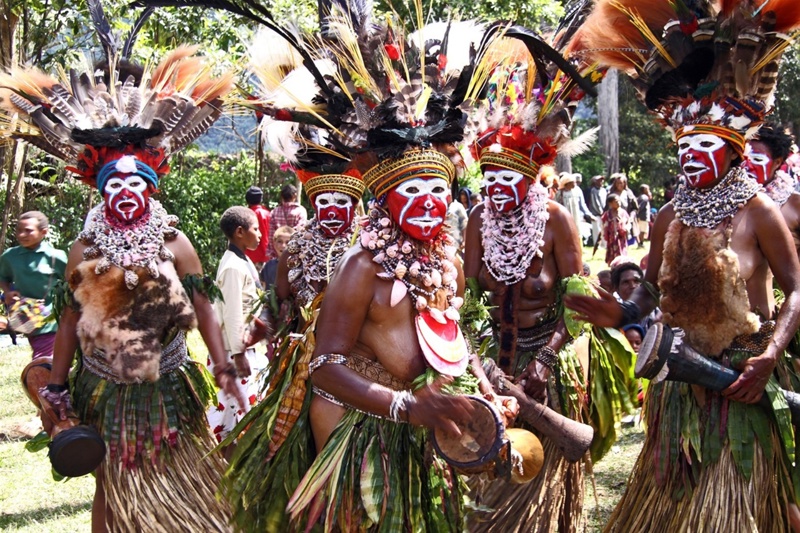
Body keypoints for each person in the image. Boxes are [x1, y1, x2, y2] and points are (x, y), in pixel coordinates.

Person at [566, 0, 800, 529]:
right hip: (678, 384)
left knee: (747, 506)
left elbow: (798, 289)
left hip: (744, 375)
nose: (690, 155)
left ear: (734, 149)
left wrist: (772, 355)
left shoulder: (758, 212)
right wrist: (621, 312)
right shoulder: (668, 215)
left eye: (705, 144)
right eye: (685, 145)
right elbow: (650, 294)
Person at [2, 47, 243, 530]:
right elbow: (70, 320)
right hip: (102, 386)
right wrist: (56, 386)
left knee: (186, 476)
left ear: (151, 188)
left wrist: (222, 366)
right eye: (115, 185)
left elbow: (204, 308)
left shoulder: (175, 241)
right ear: (101, 188)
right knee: (111, 486)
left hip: (168, 386)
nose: (126, 193)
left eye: (136, 185)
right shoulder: (84, 248)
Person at [462, 48, 619, 531]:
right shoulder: (475, 221)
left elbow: (580, 301)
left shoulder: (555, 221)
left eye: (508, 178)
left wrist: (545, 359)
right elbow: (466, 299)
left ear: (531, 179)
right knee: (493, 466)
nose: (496, 188)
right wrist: (474, 357)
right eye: (489, 178)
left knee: (542, 482)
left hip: (547, 357)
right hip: (494, 362)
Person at [208, 206, 269, 446]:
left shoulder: (241, 260)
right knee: (234, 415)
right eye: (256, 229)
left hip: (241, 348)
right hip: (234, 352)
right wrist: (238, 353)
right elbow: (232, 312)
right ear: (240, 232)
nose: (261, 234)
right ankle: (227, 463)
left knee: (241, 411)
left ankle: (231, 461)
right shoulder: (233, 266)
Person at [0, 211, 67, 360]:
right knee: (52, 361)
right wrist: (7, 292)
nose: (22, 235)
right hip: (28, 319)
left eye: (28, 230)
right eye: (19, 230)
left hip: (52, 320)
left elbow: (73, 283)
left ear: (44, 232)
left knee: (44, 360)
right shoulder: (10, 256)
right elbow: (3, 277)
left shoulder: (56, 256)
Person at [743, 122, 800, 259]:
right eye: (743, 159)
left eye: (757, 159)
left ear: (778, 163)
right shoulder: (724, 204)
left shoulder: (794, 205)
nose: (746, 166)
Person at [268, 183, 307, 259]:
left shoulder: (274, 211)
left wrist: (272, 253)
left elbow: (271, 235)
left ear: (282, 196)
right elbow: (301, 232)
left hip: (278, 253)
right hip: (294, 254)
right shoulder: (300, 211)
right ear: (295, 196)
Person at [244, 185, 271, 269]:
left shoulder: (244, 215)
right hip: (265, 258)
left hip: (249, 258)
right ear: (261, 199)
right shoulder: (267, 214)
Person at [259, 225, 293, 291]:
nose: (283, 246)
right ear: (274, 243)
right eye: (280, 241)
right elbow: (263, 287)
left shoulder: (298, 267)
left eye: (287, 242)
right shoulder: (268, 266)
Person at [599, 193, 629, 265]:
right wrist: (605, 234)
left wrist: (625, 229)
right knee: (612, 251)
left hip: (621, 237)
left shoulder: (623, 212)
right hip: (611, 238)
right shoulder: (607, 214)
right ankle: (613, 264)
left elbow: (628, 222)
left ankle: (622, 264)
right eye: (616, 201)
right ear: (610, 203)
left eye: (619, 200)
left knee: (622, 250)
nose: (618, 202)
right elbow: (604, 225)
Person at [588, 174, 607, 247]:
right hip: (596, 214)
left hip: (604, 213)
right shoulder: (593, 190)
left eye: (602, 180)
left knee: (603, 230)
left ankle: (604, 244)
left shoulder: (603, 190)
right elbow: (595, 202)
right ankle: (597, 245)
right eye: (599, 180)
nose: (601, 182)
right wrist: (601, 212)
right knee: (597, 230)